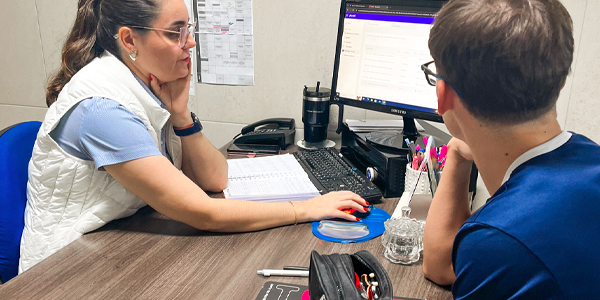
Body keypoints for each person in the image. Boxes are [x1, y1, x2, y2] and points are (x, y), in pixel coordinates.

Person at [19, 0, 367, 273]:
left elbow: (216, 178)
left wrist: (181, 115)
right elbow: (204, 213)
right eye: (175, 32)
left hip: (111, 242)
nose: (191, 42)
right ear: (129, 40)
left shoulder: (146, 83)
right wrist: (305, 208)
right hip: (59, 268)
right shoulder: (103, 109)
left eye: (189, 29)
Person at [421, 0, 600, 298]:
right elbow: (442, 265)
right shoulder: (589, 157)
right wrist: (455, 155)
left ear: (442, 96)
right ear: (559, 83)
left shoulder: (499, 242)